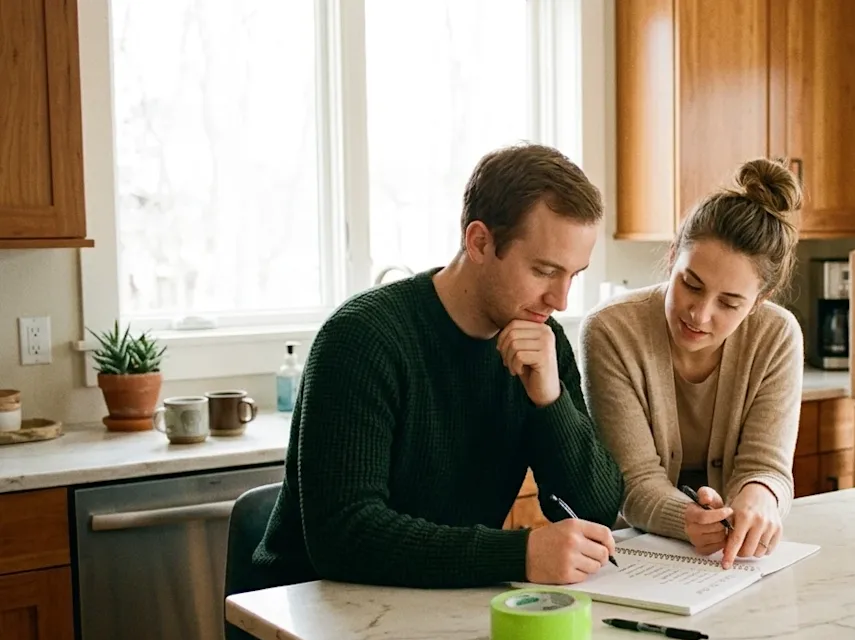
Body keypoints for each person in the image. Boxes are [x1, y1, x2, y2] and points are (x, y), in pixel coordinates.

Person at [251, 143, 624, 592]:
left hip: (435, 604)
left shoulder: (542, 342)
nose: (561, 300)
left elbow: (596, 511)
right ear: (480, 242)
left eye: (573, 275)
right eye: (544, 271)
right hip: (306, 615)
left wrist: (550, 401)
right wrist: (518, 554)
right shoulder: (363, 338)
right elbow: (343, 537)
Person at [581, 158, 805, 570]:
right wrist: (687, 519)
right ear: (672, 258)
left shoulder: (777, 336)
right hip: (633, 554)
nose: (700, 315)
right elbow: (634, 480)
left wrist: (759, 497)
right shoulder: (612, 331)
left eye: (729, 302)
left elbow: (766, 466)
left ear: (761, 300)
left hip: (732, 558)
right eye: (691, 285)